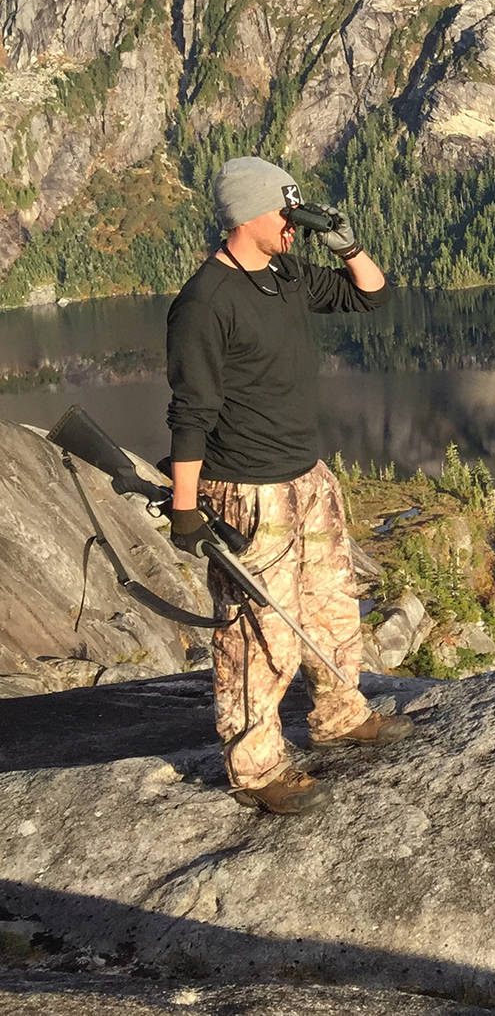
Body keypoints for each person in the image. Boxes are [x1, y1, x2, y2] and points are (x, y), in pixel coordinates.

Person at [165, 156, 412, 814]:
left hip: (307, 475)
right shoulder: (204, 303)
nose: (294, 228)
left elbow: (372, 294)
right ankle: (257, 767)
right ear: (249, 214)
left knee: (332, 603)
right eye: (287, 214)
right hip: (247, 491)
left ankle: (339, 714)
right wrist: (186, 512)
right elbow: (190, 414)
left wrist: (345, 242)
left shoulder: (287, 273)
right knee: (259, 634)